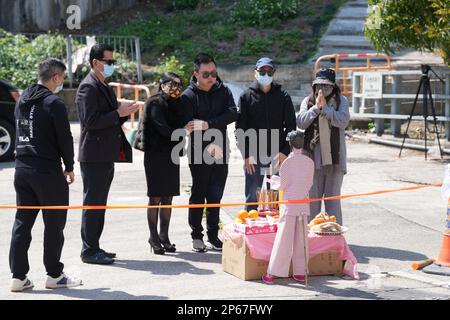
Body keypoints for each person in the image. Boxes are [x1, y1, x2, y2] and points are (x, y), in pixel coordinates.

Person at [9, 58, 82, 292]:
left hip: (22, 169)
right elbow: (64, 138)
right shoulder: (54, 103)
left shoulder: (22, 101)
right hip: (47, 172)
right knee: (54, 224)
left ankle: (18, 276)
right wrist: (69, 166)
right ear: (56, 78)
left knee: (23, 222)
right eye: (62, 77)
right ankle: (54, 274)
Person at [76, 44, 139, 265]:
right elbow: (91, 121)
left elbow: (109, 116)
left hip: (105, 154)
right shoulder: (88, 87)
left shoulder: (103, 84)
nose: (112, 66)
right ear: (95, 62)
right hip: (93, 155)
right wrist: (118, 113)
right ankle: (89, 249)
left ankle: (95, 245)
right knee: (93, 202)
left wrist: (124, 113)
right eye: (108, 62)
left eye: (113, 62)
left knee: (99, 203)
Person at [182, 53, 238, 252]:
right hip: (198, 153)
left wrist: (208, 124)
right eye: (206, 74)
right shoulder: (188, 96)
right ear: (195, 74)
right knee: (198, 194)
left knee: (215, 195)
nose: (211, 78)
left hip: (221, 151)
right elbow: (188, 124)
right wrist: (209, 124)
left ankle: (213, 235)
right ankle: (196, 235)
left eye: (214, 73)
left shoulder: (223, 91)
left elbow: (232, 112)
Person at [134, 73, 190, 255]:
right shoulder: (154, 102)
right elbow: (162, 128)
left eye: (179, 84)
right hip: (155, 155)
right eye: (171, 84)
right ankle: (153, 237)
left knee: (168, 197)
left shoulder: (179, 102)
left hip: (172, 155)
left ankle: (164, 235)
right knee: (155, 197)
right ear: (162, 84)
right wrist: (183, 130)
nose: (175, 88)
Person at [236, 57, 296, 211]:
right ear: (255, 72)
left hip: (278, 154)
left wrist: (285, 151)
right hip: (254, 154)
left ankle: (274, 233)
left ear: (274, 73)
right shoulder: (246, 97)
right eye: (262, 71)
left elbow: (291, 127)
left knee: (274, 198)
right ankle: (251, 232)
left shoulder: (283, 96)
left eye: (269, 71)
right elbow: (240, 130)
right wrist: (246, 154)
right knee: (252, 197)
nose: (266, 74)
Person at [296, 68, 350, 225]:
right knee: (312, 202)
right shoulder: (308, 101)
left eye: (326, 86)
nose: (322, 89)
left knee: (333, 201)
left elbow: (343, 121)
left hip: (335, 159)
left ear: (333, 87)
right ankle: (312, 237)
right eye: (319, 86)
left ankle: (334, 238)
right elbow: (300, 122)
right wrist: (316, 109)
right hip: (312, 159)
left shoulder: (342, 101)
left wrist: (326, 109)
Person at [262, 131, 314, 284]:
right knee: (301, 239)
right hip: (303, 203)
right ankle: (300, 272)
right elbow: (309, 183)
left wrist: (273, 181)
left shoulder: (287, 163)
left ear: (290, 144)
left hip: (289, 204)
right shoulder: (309, 162)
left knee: (283, 239)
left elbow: (283, 186)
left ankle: (272, 273)